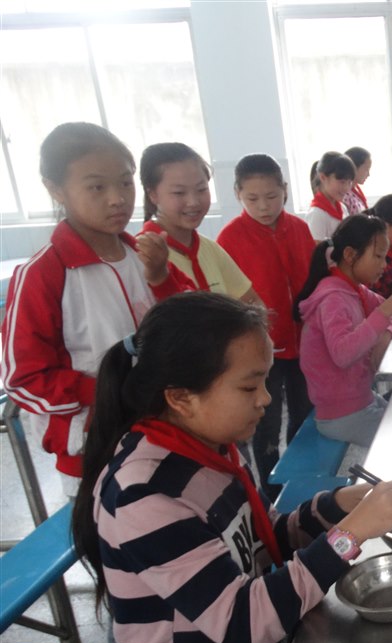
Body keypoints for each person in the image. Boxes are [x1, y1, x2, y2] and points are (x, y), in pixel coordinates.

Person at [70, 291, 392, 643]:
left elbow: (264, 540)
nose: (266, 399)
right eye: (249, 386)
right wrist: (349, 536)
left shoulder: (206, 448)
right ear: (180, 397)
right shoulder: (144, 493)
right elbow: (244, 622)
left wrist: (336, 507)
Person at [0, 122, 190, 487]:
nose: (117, 199)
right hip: (95, 448)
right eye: (97, 187)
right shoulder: (44, 273)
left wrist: (160, 278)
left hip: (165, 428)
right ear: (55, 189)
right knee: (114, 518)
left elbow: (188, 326)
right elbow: (24, 379)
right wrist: (111, 393)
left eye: (125, 182)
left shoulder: (143, 254)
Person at [217, 154, 316, 494]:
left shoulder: (299, 228)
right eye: (252, 198)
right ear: (237, 194)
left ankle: (302, 485)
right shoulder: (229, 239)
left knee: (305, 415)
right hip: (261, 350)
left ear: (285, 190)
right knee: (265, 423)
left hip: (304, 341)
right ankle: (272, 496)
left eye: (272, 196)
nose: (263, 206)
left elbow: (311, 281)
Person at [295, 215, 392, 446]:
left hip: (362, 399)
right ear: (350, 255)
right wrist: (383, 314)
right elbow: (343, 354)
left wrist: (385, 335)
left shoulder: (355, 289)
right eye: (378, 256)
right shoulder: (332, 298)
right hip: (341, 415)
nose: (383, 265)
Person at [139, 142, 259, 303]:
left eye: (201, 189)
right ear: (152, 194)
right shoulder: (145, 256)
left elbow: (253, 303)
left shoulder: (209, 248)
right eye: (179, 192)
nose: (193, 202)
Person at [306, 150, 357, 241]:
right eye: (342, 182)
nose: (346, 188)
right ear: (323, 177)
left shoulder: (342, 208)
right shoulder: (317, 214)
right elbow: (317, 248)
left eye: (349, 182)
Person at [342, 146, 372, 215]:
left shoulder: (356, 190)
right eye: (366, 169)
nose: (368, 174)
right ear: (354, 167)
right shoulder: (344, 195)